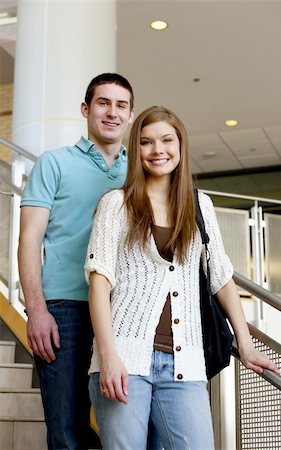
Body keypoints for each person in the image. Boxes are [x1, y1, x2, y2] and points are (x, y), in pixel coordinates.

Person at [85, 105, 279, 450]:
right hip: (124, 358)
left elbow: (220, 276)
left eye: (166, 140)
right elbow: (100, 283)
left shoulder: (199, 205)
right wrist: (108, 356)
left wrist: (245, 342)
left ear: (180, 145)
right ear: (136, 150)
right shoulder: (116, 204)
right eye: (146, 142)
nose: (157, 150)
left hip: (186, 363)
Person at [18, 73, 135, 450]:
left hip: (125, 311)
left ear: (131, 115)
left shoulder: (141, 171)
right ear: (86, 109)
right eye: (103, 103)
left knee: (124, 425)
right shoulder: (53, 163)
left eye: (121, 105)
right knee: (67, 428)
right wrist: (36, 311)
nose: (112, 113)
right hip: (64, 309)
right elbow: (29, 240)